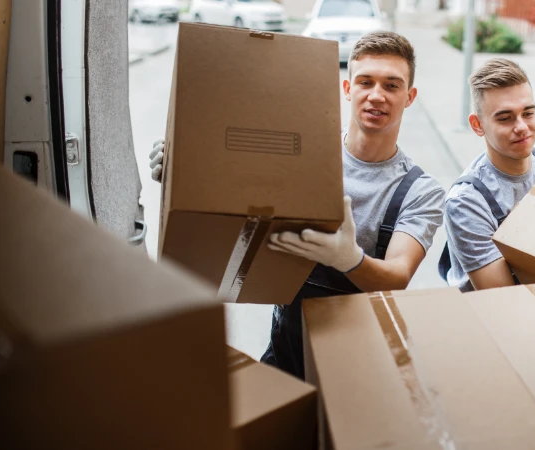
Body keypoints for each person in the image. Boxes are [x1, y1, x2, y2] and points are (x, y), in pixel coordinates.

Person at [149, 31, 445, 379]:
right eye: (366, 82)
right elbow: (238, 193)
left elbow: (398, 275)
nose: (376, 95)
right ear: (348, 89)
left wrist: (348, 259)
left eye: (392, 86)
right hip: (285, 353)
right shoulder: (303, 154)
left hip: (361, 369)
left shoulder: (420, 190)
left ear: (409, 97)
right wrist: (185, 174)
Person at [440, 58, 535, 292]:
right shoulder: (466, 202)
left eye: (528, 113)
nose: (522, 126)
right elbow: (503, 297)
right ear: (477, 125)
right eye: (505, 118)